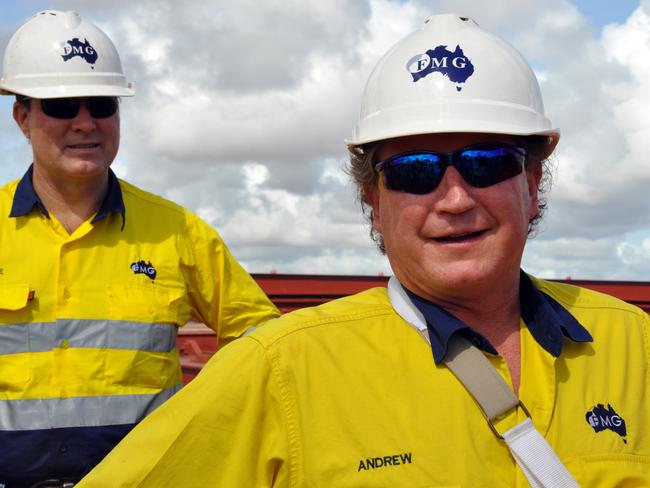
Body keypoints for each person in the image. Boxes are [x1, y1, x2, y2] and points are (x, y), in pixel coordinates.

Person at [77, 13, 650, 487]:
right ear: (374, 200)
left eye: (487, 162)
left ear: (530, 181)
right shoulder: (283, 368)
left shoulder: (634, 347)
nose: (454, 198)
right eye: (415, 171)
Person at [0, 10, 279, 487]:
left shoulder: (178, 232)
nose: (86, 122)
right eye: (63, 107)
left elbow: (265, 345)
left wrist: (207, 429)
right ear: (23, 117)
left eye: (102, 105)